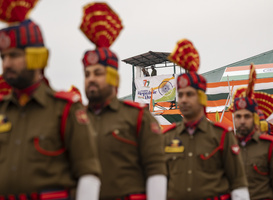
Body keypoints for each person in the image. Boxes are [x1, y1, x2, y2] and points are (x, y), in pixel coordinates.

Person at [0, 1, 101, 199]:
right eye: (3, 57)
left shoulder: (64, 109)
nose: (7, 64)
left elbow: (88, 174)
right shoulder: (2, 110)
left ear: (36, 57)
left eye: (14, 55)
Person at [79, 3, 167, 200]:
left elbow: (156, 169)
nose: (91, 78)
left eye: (98, 73)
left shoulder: (137, 117)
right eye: (87, 74)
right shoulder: (75, 119)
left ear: (113, 78)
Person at [164, 39, 249, 200]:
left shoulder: (222, 136)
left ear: (202, 98)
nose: (183, 100)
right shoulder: (168, 137)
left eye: (189, 94)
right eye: (180, 95)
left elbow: (238, 183)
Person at [230, 64, 273, 199]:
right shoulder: (226, 146)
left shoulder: (270, 146)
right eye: (238, 116)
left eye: (247, 116)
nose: (242, 121)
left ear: (254, 118)